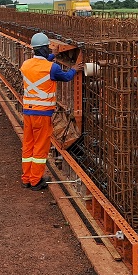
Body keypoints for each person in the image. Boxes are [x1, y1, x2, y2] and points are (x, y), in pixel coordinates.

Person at [20, 32, 82, 190]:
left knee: (28, 145)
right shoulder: (52, 68)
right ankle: (35, 180)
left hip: (28, 112)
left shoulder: (26, 65)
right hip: (42, 114)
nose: (49, 50)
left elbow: (39, 67)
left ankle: (26, 178)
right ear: (43, 49)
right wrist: (74, 69)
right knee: (40, 147)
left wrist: (51, 56)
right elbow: (67, 77)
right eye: (47, 48)